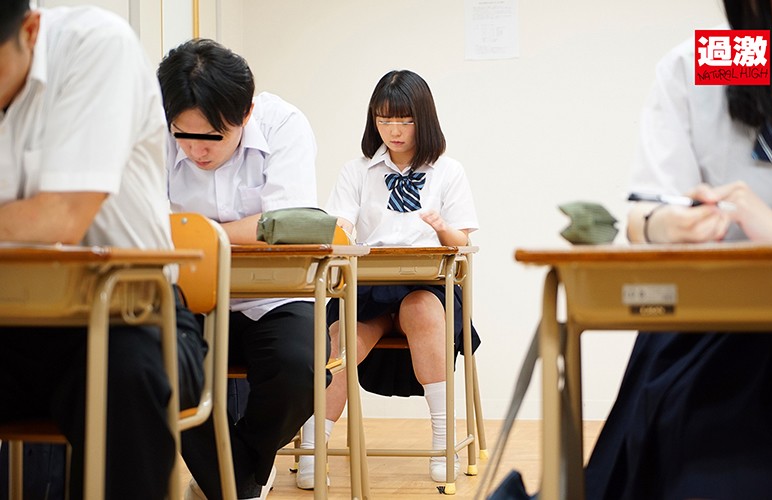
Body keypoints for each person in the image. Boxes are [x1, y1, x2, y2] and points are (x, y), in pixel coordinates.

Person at [584, 0, 772, 499]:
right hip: (715, 320)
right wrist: (670, 224)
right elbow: (644, 215)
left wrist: (766, 222)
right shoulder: (711, 61)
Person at [0, 2, 206, 499]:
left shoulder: (96, 47)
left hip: (134, 317)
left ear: (30, 30)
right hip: (16, 322)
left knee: (122, 377)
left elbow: (62, 218)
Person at [157, 38, 329, 500]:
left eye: (212, 136)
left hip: (274, 293)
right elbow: (142, 222)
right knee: (153, 363)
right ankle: (243, 479)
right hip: (185, 295)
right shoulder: (155, 131)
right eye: (182, 135)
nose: (195, 151)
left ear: (246, 113)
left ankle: (235, 468)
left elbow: (287, 225)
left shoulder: (283, 124)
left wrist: (196, 231)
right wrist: (241, 229)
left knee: (303, 369)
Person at [295, 69, 481, 489]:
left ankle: (441, 441)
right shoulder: (357, 171)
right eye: (384, 119)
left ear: (424, 119)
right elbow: (338, 228)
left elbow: (462, 240)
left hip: (428, 286)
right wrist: (338, 229)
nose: (394, 130)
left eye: (405, 120)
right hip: (370, 288)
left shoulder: (447, 171)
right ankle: (315, 447)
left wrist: (440, 227)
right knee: (339, 336)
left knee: (424, 311)